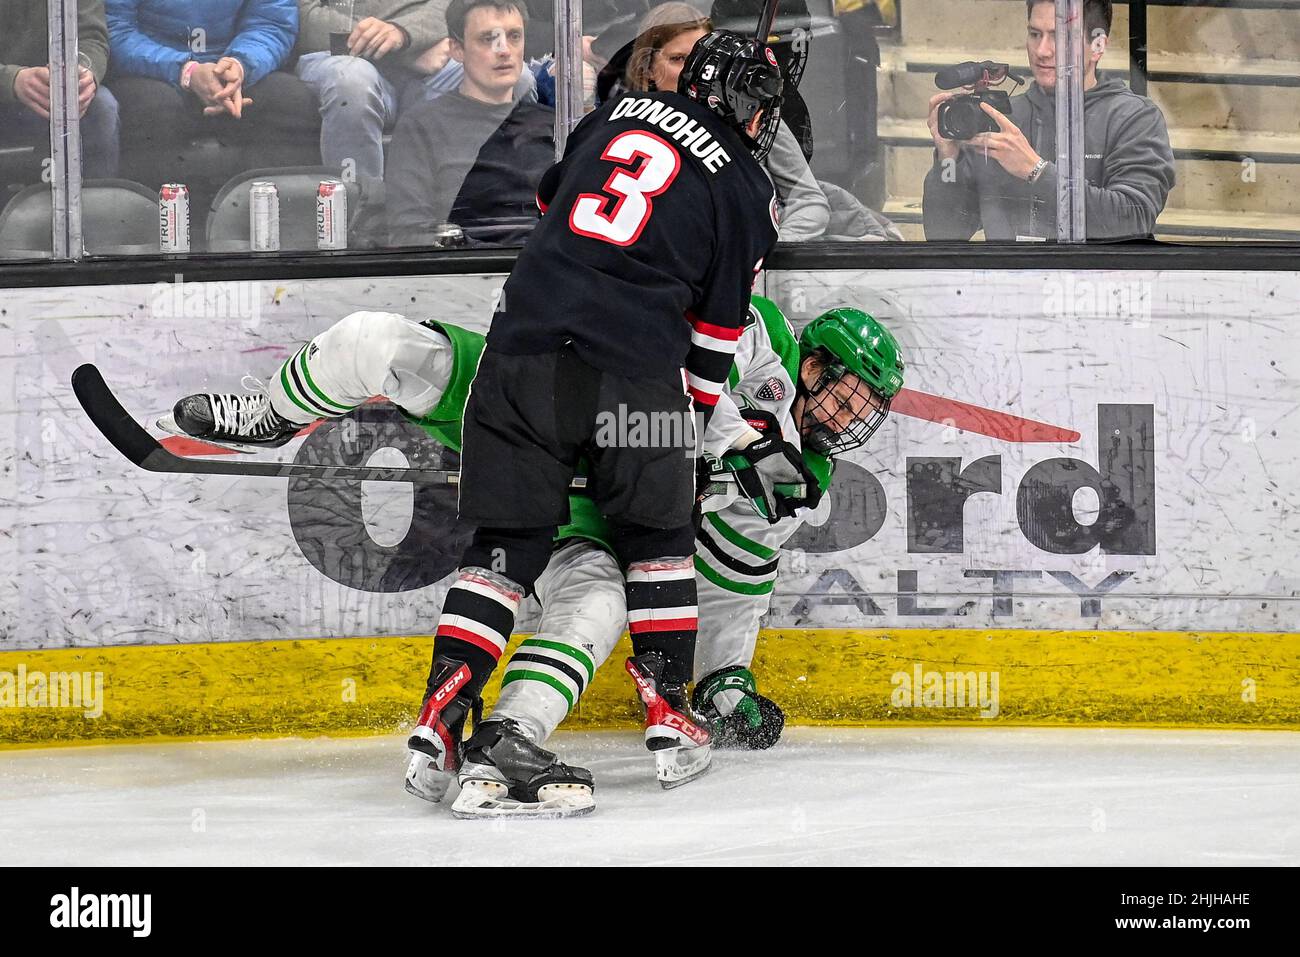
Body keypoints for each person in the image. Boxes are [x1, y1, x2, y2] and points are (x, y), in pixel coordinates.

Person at [159, 292, 902, 814]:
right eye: (849, 397)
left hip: (596, 508)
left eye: (866, 412)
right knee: (375, 341)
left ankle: (509, 730)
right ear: (814, 366)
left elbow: (741, 576)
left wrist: (727, 677)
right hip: (545, 387)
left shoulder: (806, 476)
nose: (850, 420)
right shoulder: (765, 331)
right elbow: (693, 358)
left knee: (597, 603)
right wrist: (732, 440)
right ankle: (274, 414)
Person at [407, 27, 783, 801]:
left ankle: (439, 718)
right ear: (743, 105)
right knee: (657, 539)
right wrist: (688, 435)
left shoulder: (616, 112)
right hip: (633, 376)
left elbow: (555, 206)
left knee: (505, 548)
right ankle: (669, 714)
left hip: (518, 355)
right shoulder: (748, 186)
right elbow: (713, 340)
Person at [921, 0, 1175, 241]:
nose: (1042, 51)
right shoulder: (1002, 116)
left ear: (1097, 46)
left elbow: (1134, 219)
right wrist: (947, 160)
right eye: (1035, 34)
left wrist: (1037, 172)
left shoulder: (1134, 118)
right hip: (1008, 280)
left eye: (1060, 37)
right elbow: (943, 230)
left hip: (1097, 283)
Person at [622, 2, 829, 242]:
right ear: (647, 68)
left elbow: (808, 200)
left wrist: (764, 253)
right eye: (678, 59)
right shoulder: (622, 124)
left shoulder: (751, 113)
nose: (693, 70)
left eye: (702, 60)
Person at [106, 0, 321, 204]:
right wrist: (186, 69)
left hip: (232, 71)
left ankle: (267, 226)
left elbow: (272, 22)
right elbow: (115, 28)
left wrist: (239, 65)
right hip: (155, 73)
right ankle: (154, 229)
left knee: (290, 101)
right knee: (152, 109)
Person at [384, 0, 554, 246]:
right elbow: (409, 234)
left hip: (544, 270)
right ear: (457, 49)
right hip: (462, 270)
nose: (504, 50)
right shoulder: (422, 126)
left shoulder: (552, 125)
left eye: (514, 36)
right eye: (488, 39)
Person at [294, 0, 453, 180]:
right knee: (351, 82)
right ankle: (362, 202)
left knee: (478, 67)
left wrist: (403, 32)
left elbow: (456, 5)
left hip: (425, 47)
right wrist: (397, 49)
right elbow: (305, 18)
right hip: (339, 55)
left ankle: (457, 203)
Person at [0, 0, 120, 181]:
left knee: (100, 108)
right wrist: (11, 79)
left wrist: (83, 72)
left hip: (51, 92)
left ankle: (94, 206)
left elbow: (91, 37)